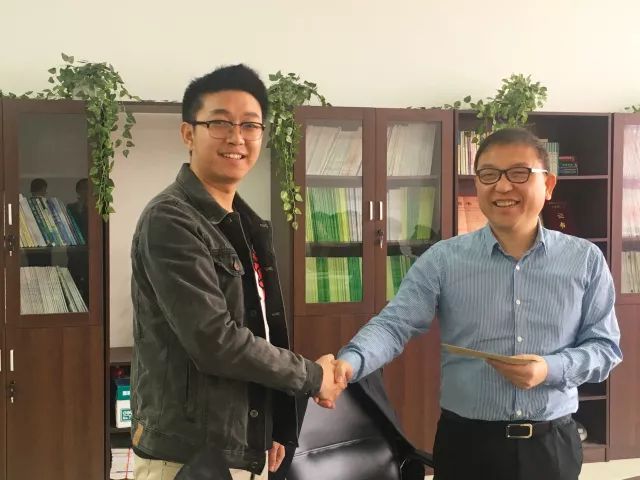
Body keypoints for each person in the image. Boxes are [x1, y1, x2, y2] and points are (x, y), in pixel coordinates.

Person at [330, 128, 622, 480]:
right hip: (467, 445)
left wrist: (550, 368)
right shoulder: (444, 259)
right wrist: (349, 363)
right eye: (488, 174)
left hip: (550, 446)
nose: (502, 186)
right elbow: (395, 324)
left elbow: (605, 349)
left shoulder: (585, 260)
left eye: (519, 173)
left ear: (548, 185)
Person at [129, 64, 344, 480]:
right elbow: (217, 341)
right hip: (188, 456)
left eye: (250, 125)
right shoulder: (170, 220)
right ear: (188, 133)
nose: (237, 138)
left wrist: (269, 425)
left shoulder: (246, 224)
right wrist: (314, 376)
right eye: (220, 123)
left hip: (240, 446)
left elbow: (258, 329)